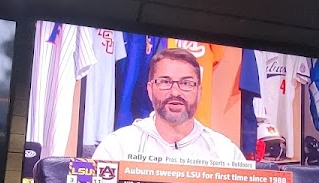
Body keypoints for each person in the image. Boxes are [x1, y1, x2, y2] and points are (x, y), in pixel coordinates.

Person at [92, 48, 245, 163]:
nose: (175, 92)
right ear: (150, 89)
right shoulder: (117, 147)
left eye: (186, 83)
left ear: (199, 92)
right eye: (165, 82)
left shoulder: (225, 153)